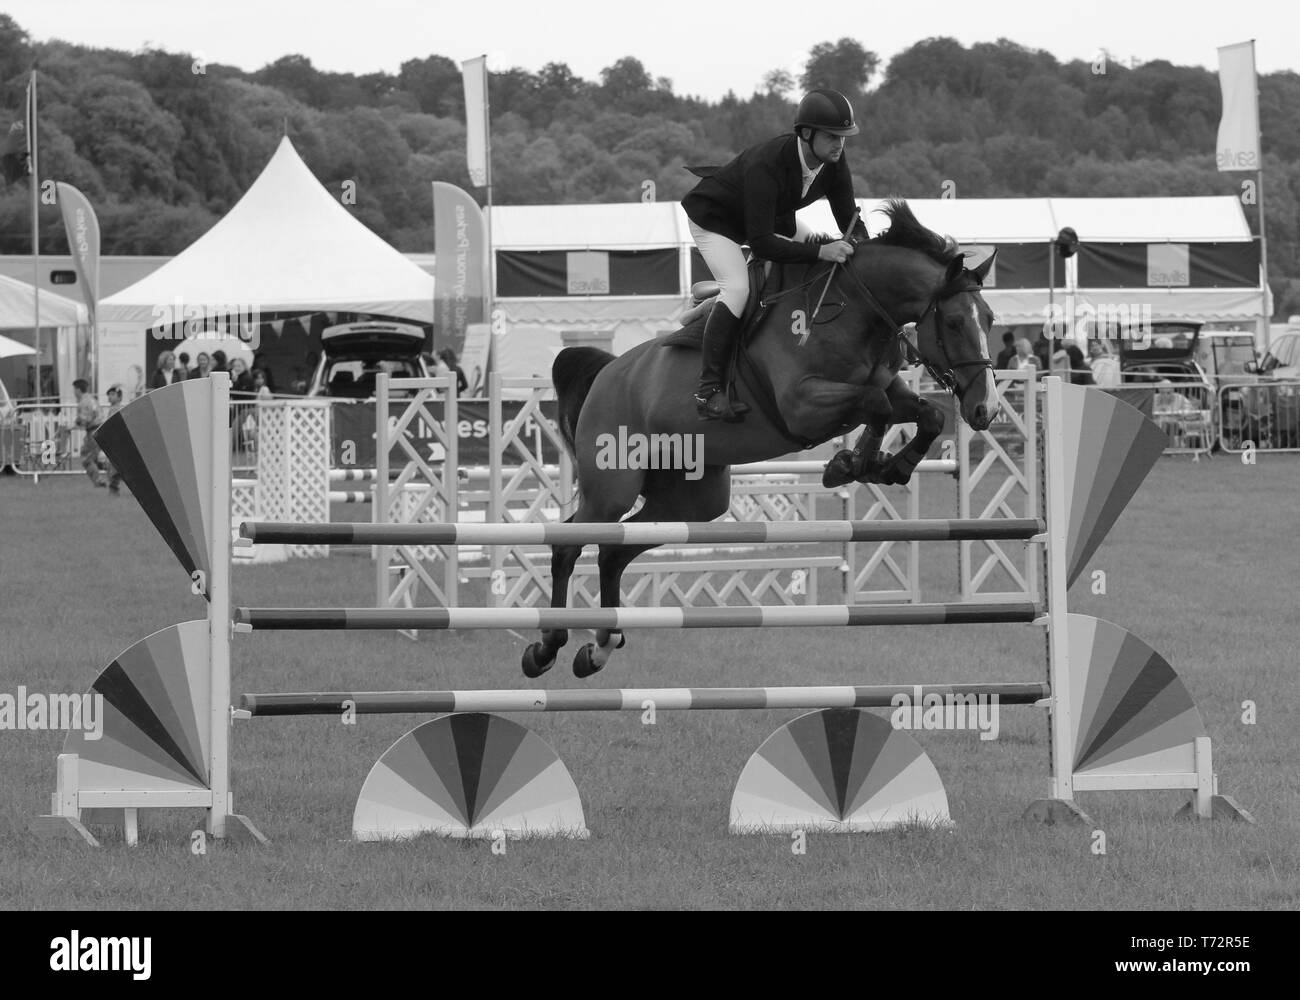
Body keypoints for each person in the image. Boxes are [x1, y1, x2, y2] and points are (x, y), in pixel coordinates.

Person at [681, 88, 868, 421]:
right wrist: (822, 250)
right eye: (832, 136)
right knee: (738, 289)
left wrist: (865, 248)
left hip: (769, 220)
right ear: (807, 134)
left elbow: (848, 220)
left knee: (828, 250)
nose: (840, 144)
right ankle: (707, 390)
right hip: (716, 220)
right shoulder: (767, 163)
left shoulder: (834, 164)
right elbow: (764, 244)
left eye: (844, 137)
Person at [73, 379, 104, 486]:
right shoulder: (92, 399)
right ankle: (103, 475)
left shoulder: (83, 402)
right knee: (89, 455)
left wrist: (73, 426)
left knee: (87, 459)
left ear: (78, 389)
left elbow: (84, 419)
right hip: (99, 430)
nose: (74, 392)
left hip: (93, 431)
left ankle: (100, 480)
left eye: (74, 389)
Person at [103, 384, 125, 494]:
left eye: (113, 394)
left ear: (120, 397)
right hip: (114, 442)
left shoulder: (118, 409)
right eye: (109, 395)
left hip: (118, 442)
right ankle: (113, 487)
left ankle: (113, 487)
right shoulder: (112, 409)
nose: (110, 397)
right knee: (113, 465)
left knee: (115, 465)